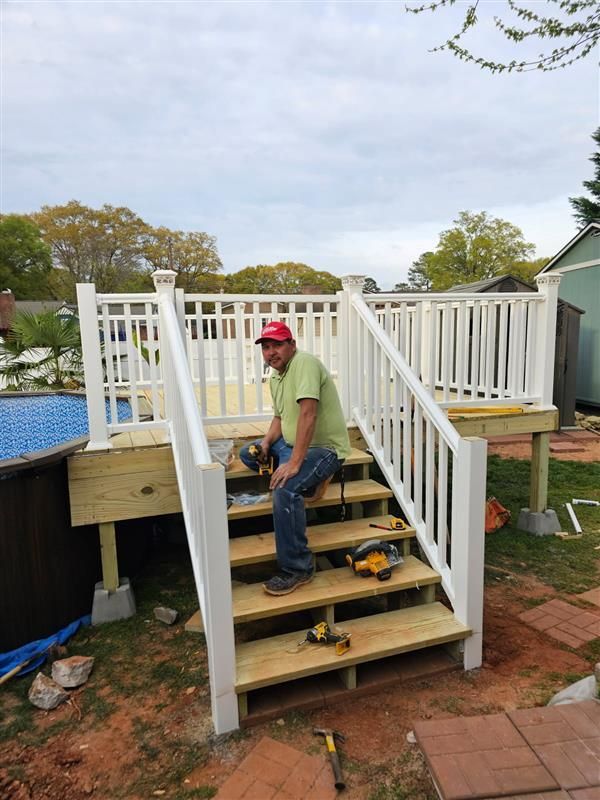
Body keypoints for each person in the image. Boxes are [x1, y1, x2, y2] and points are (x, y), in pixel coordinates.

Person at [239, 321, 351, 596]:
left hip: (324, 449)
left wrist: (295, 463)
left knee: (285, 490)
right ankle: (303, 478)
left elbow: (308, 414)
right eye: (266, 347)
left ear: (292, 345)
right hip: (293, 445)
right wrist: (266, 443)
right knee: (248, 453)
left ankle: (298, 568)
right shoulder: (276, 376)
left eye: (277, 344)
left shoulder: (305, 364)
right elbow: (280, 418)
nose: (271, 352)